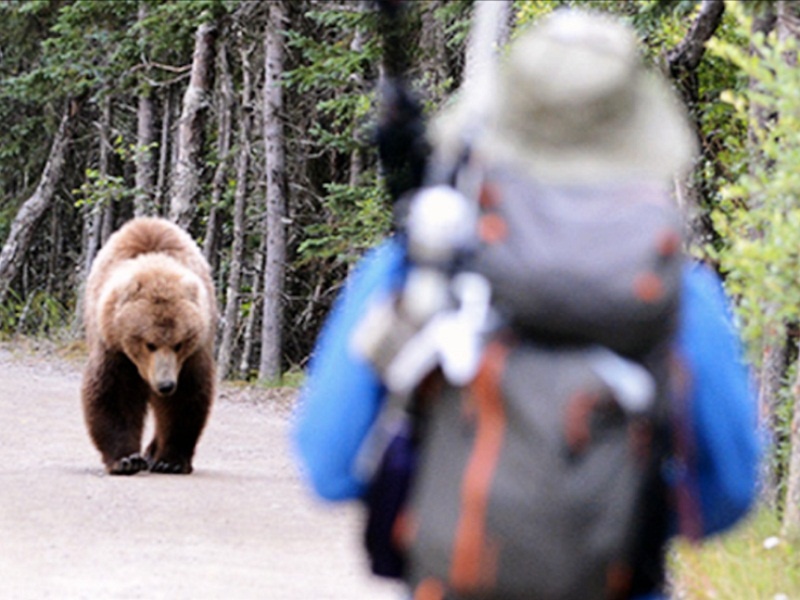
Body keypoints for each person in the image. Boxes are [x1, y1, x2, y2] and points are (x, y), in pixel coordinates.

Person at [293, 9, 759, 600]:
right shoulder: (679, 295)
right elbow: (728, 496)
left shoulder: (423, 265)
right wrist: (611, 522)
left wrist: (446, 496)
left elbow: (329, 465)